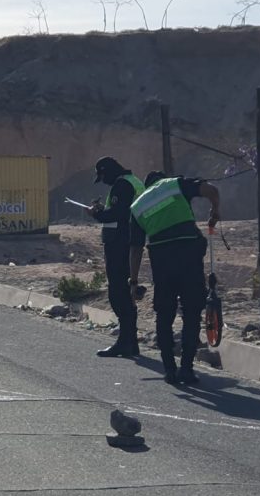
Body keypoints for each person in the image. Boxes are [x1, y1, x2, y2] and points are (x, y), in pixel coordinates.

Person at [130, 170, 221, 385]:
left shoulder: (137, 206)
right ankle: (186, 369)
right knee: (191, 314)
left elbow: (135, 248)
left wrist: (133, 281)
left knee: (164, 315)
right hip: (189, 257)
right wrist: (215, 211)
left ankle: (170, 370)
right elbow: (212, 190)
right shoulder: (174, 185)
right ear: (161, 181)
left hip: (162, 262)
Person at [85, 156, 145, 358]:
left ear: (108, 172)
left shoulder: (122, 185)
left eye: (103, 177)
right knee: (127, 291)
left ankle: (125, 342)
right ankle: (130, 341)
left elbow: (119, 213)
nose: (103, 182)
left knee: (118, 293)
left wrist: (97, 214)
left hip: (119, 243)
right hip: (130, 241)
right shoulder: (134, 181)